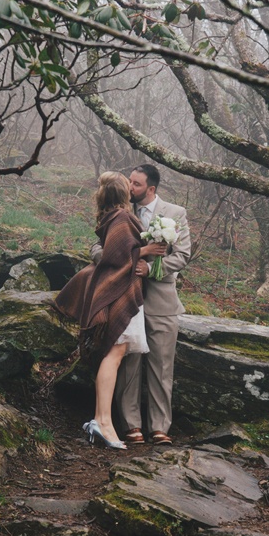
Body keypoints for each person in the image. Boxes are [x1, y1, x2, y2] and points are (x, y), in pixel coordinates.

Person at [54, 171, 166, 450]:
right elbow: (116, 257)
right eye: (128, 185)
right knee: (114, 355)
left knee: (115, 354)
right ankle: (101, 421)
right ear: (123, 194)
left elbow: (113, 252)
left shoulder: (109, 216)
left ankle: (102, 421)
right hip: (120, 292)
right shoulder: (123, 218)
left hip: (119, 290)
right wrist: (146, 249)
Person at [91, 164, 191, 446]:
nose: (129, 188)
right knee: (128, 363)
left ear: (151, 189)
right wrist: (116, 262)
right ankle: (131, 425)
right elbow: (96, 248)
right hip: (125, 296)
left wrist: (151, 270)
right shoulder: (121, 212)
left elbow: (183, 255)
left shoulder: (175, 214)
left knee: (161, 365)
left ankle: (160, 428)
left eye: (135, 184)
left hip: (162, 300)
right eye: (129, 182)